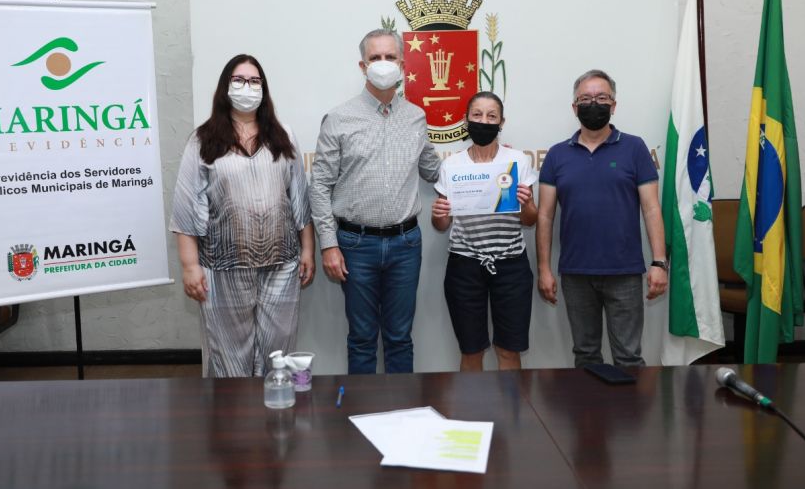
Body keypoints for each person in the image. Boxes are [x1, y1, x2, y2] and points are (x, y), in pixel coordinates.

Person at [170, 54, 314, 378]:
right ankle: (234, 411)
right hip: (223, 268)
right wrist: (190, 266)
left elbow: (299, 197)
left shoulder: (283, 135)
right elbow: (186, 206)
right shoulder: (203, 140)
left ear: (263, 88)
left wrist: (308, 249)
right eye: (239, 80)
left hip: (281, 266)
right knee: (230, 360)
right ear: (226, 87)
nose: (247, 87)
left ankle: (275, 409)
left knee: (278, 355)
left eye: (254, 81)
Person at [310, 28, 441, 374]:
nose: (383, 64)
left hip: (405, 244)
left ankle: (403, 407)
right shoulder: (338, 119)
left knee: (400, 338)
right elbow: (319, 185)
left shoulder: (416, 117)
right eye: (375, 58)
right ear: (362, 65)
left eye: (390, 57)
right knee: (362, 339)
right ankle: (362, 408)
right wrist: (328, 244)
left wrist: (483, 165)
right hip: (355, 245)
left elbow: (433, 170)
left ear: (403, 64)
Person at [536, 69, 667, 367]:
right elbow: (544, 216)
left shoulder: (635, 148)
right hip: (576, 273)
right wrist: (544, 269)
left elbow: (651, 209)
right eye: (585, 98)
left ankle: (630, 402)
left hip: (624, 272)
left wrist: (659, 262)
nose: (593, 103)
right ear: (574, 107)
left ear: (613, 105)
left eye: (601, 98)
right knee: (585, 356)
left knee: (628, 358)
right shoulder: (556, 155)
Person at [431, 92, 538, 371]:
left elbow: (530, 220)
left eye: (492, 116)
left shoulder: (517, 161)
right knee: (471, 350)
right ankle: (473, 402)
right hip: (464, 266)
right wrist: (439, 215)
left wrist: (527, 203)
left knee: (509, 350)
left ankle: (511, 403)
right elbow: (442, 225)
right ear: (466, 120)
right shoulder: (452, 165)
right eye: (477, 114)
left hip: (511, 265)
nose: (484, 121)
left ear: (502, 122)